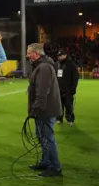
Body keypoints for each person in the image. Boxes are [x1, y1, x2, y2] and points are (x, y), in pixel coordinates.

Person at [27, 43, 63, 177]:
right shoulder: (42, 65)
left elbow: (42, 92)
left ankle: (55, 167)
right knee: (42, 136)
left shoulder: (44, 67)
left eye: (29, 53)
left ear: (36, 54)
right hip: (44, 109)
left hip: (46, 110)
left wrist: (36, 109)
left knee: (47, 138)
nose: (27, 55)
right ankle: (46, 161)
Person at [56, 50, 79, 125]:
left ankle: (70, 119)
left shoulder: (71, 65)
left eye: (60, 56)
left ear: (65, 55)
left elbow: (75, 78)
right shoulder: (58, 64)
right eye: (58, 56)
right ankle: (59, 118)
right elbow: (57, 77)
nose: (59, 57)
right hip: (59, 89)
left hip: (68, 89)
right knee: (59, 105)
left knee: (68, 105)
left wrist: (73, 89)